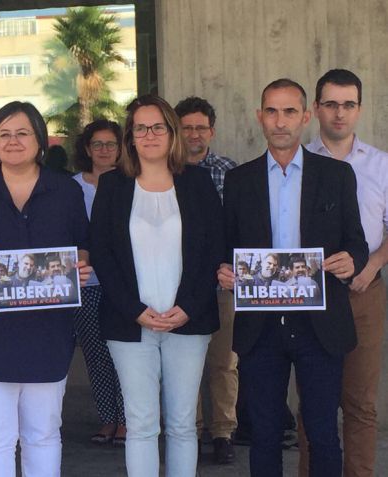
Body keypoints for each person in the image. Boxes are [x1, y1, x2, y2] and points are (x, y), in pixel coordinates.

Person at [218, 78, 368, 477]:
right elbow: (226, 246)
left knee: (322, 433)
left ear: (305, 116)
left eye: (289, 112)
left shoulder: (337, 176)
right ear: (259, 117)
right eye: (271, 111)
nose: (279, 121)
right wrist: (224, 270)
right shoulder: (239, 181)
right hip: (261, 326)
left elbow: (357, 242)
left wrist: (351, 261)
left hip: (320, 325)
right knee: (264, 435)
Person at [0, 100, 91, 477]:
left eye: (22, 132)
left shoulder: (65, 191)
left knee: (43, 434)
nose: (13, 141)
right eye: (4, 134)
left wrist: (81, 267)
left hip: (48, 331)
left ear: (39, 140)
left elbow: (83, 244)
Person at [90, 94, 223, 477]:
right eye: (140, 128)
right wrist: (135, 310)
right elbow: (102, 253)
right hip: (131, 324)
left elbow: (215, 249)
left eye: (157, 127)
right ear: (130, 136)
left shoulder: (197, 182)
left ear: (172, 133)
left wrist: (190, 307)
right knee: (142, 424)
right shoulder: (113, 185)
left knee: (183, 424)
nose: (149, 135)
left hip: (188, 321)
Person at [296, 68, 388, 477]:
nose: (339, 113)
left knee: (360, 403)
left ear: (359, 109)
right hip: (309, 296)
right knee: (313, 404)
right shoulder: (299, 164)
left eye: (348, 104)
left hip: (364, 291)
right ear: (315, 109)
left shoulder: (381, 166)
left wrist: (373, 264)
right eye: (330, 104)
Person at [174, 96, 238, 464]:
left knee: (224, 363)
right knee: (184, 366)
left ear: (211, 131)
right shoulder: (164, 172)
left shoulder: (231, 170)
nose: (194, 134)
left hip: (223, 285)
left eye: (201, 127)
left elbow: (242, 226)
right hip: (179, 287)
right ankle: (191, 431)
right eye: (187, 128)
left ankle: (223, 432)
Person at [71, 118, 127, 446]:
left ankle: (128, 418)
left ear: (121, 149)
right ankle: (108, 418)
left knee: (125, 352)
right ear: (87, 149)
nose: (104, 150)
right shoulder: (72, 187)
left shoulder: (131, 182)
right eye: (98, 144)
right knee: (95, 353)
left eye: (111, 144)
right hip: (87, 282)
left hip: (123, 284)